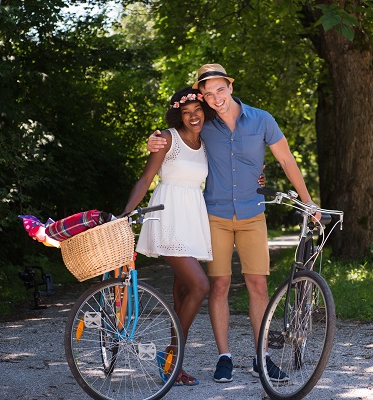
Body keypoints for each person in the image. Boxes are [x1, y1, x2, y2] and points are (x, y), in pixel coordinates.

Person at [147, 64, 319, 384]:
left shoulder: (261, 119)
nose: (215, 98)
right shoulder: (204, 123)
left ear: (230, 85)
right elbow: (174, 135)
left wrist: (307, 201)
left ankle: (261, 357)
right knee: (220, 286)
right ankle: (223, 357)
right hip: (215, 215)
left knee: (258, 285)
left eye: (220, 90)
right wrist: (154, 139)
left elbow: (286, 159)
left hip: (253, 214)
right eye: (208, 94)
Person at [122, 86, 266, 386]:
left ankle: (175, 365)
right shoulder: (167, 139)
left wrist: (257, 176)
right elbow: (145, 178)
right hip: (168, 216)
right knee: (200, 286)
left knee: (183, 294)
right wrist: (125, 214)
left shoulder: (205, 144)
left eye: (197, 111)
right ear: (178, 115)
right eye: (185, 113)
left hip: (192, 218)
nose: (192, 116)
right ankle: (170, 355)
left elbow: (229, 167)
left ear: (205, 111)